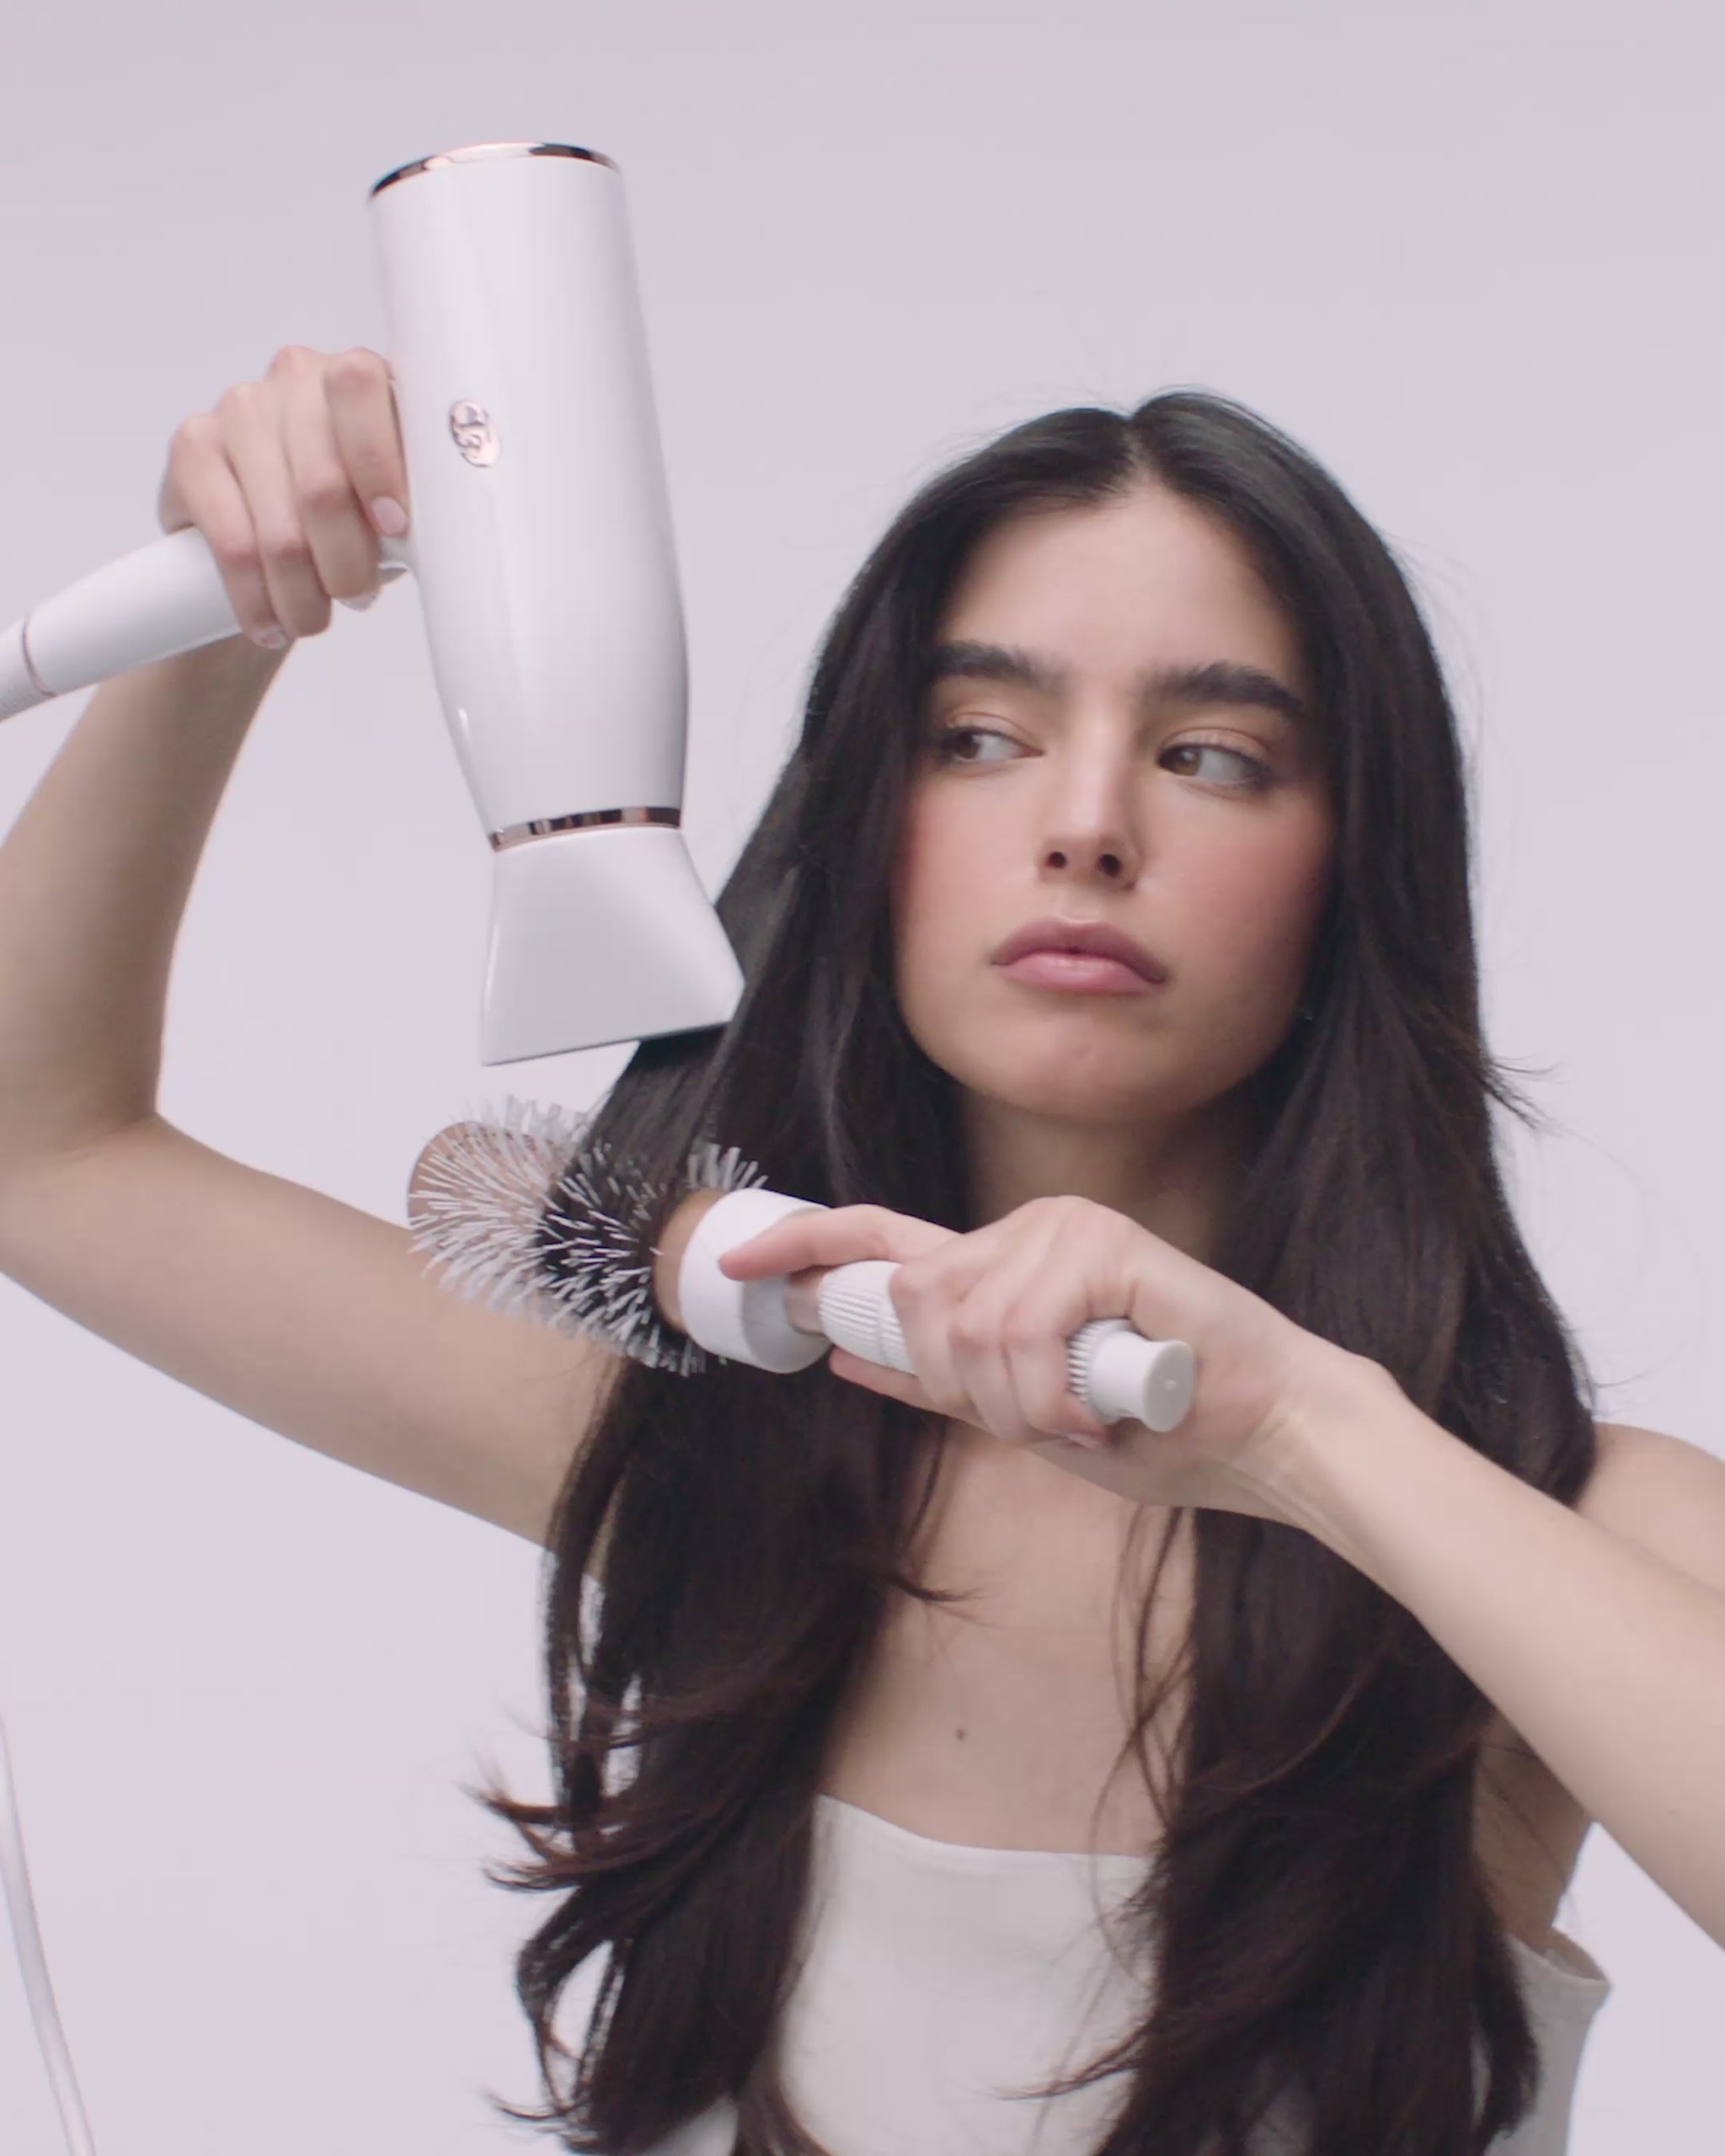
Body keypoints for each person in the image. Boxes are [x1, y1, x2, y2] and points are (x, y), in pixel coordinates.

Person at [0, 346, 1722, 2156]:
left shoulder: (1567, 1526)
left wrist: (1308, 1432)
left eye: (1211, 756)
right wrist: (227, 599)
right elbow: (41, 1150)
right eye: (979, 735)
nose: (1086, 824)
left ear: (1354, 865)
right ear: (864, 823)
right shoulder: (693, 1431)